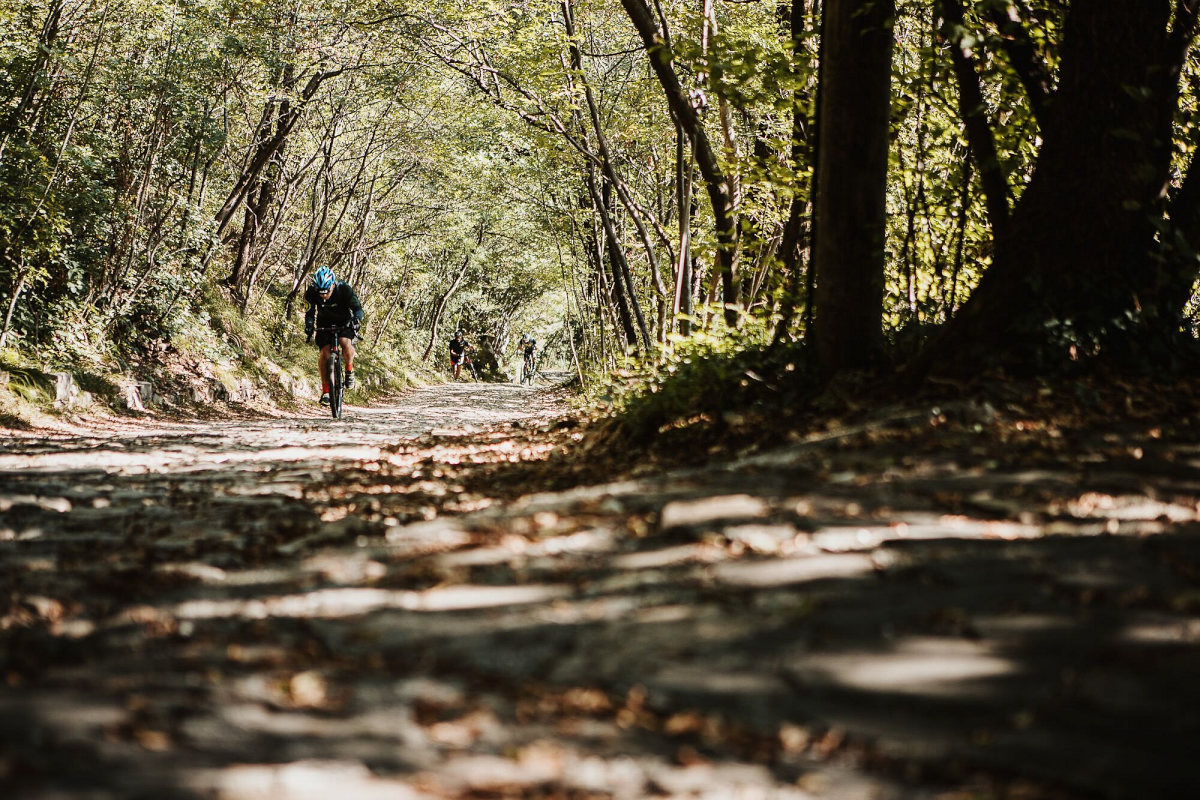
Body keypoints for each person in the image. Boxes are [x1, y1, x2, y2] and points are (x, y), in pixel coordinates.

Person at [303, 266, 363, 405]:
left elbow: (358, 308)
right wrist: (309, 325)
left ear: (333, 285)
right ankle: (326, 391)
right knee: (325, 353)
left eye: (326, 292)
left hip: (344, 320)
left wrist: (356, 320)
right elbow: (309, 312)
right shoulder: (311, 292)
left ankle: (349, 369)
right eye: (320, 293)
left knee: (344, 341)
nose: (323, 296)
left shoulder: (344, 289)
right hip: (324, 321)